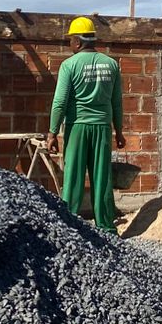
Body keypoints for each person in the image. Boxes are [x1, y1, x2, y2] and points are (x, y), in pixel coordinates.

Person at [47, 16, 126, 233]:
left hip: (77, 128)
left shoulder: (69, 65)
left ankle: (68, 227)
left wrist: (52, 132)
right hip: (102, 127)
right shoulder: (111, 65)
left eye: (70, 40)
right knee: (102, 177)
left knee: (73, 177)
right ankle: (107, 227)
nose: (69, 44)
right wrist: (119, 131)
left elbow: (59, 102)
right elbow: (117, 102)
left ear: (78, 42)